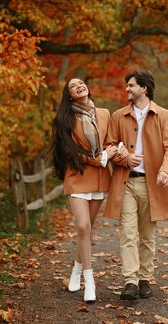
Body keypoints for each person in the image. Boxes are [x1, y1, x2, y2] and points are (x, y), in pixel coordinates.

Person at [104, 69, 168, 300]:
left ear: (144, 88)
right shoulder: (118, 116)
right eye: (127, 85)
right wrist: (126, 159)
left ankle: (145, 277)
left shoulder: (163, 115)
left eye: (131, 85)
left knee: (147, 235)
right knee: (128, 233)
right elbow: (109, 145)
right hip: (125, 182)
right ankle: (130, 281)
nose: (127, 89)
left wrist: (166, 170)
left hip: (152, 185)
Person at [50, 78, 117, 303]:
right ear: (69, 96)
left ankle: (76, 271)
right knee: (83, 226)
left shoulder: (105, 113)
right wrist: (98, 160)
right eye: (72, 86)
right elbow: (70, 151)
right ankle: (90, 282)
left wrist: (110, 152)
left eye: (81, 82)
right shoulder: (66, 119)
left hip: (99, 179)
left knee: (86, 232)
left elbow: (111, 141)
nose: (79, 85)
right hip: (77, 175)